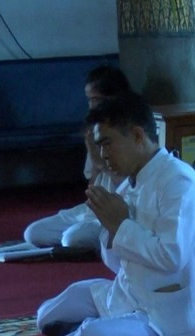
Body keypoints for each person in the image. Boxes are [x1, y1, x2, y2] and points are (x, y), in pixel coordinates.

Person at [35, 91, 195, 336]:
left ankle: (91, 330)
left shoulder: (179, 181)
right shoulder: (130, 182)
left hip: (161, 314)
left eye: (107, 144)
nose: (103, 155)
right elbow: (118, 265)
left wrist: (121, 225)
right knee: (46, 315)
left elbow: (172, 258)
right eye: (98, 146)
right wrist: (112, 229)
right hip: (124, 293)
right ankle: (94, 327)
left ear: (138, 136)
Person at [24, 65, 131, 249]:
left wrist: (101, 163)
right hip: (94, 209)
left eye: (95, 99)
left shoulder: (127, 130)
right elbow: (93, 187)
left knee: (72, 238)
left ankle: (105, 242)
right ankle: (93, 241)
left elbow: (129, 186)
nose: (91, 106)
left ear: (114, 98)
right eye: (89, 100)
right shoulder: (95, 128)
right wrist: (95, 162)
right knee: (33, 233)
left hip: (120, 209)